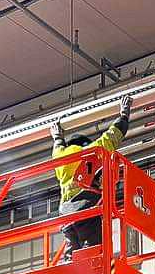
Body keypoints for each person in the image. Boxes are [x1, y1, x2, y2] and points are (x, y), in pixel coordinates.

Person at [50, 94, 132, 256]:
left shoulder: (61, 156)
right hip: (85, 207)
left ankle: (69, 269)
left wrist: (58, 136)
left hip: (65, 212)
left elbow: (57, 146)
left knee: (72, 249)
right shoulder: (92, 150)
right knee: (92, 248)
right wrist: (124, 114)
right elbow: (114, 135)